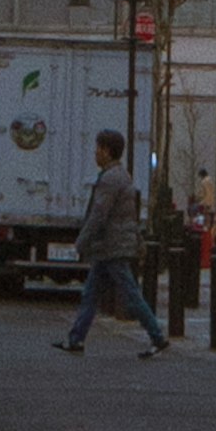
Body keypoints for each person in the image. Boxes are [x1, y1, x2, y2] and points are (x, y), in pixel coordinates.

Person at [62, 132, 163, 357]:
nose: (95, 153)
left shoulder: (110, 179)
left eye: (98, 148)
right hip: (110, 246)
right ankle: (76, 338)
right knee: (91, 293)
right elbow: (128, 216)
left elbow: (99, 214)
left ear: (107, 151)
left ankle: (157, 335)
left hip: (112, 246)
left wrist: (81, 242)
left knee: (130, 293)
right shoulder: (121, 176)